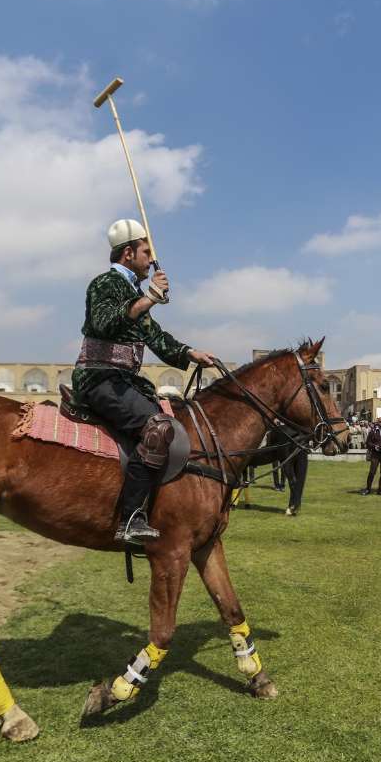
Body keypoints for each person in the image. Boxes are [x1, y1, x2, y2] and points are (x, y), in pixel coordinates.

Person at [71, 219, 218, 544]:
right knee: (158, 428)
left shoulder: (134, 292)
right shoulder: (103, 284)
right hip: (99, 379)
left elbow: (156, 338)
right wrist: (151, 295)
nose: (151, 259)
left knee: (170, 423)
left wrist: (190, 353)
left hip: (123, 381)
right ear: (127, 253)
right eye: (146, 251)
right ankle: (131, 519)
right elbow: (105, 323)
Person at [362, 416, 381, 495]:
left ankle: (380, 490)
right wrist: (374, 446)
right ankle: (368, 489)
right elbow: (368, 443)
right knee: (372, 472)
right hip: (375, 455)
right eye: (380, 422)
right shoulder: (373, 431)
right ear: (377, 423)